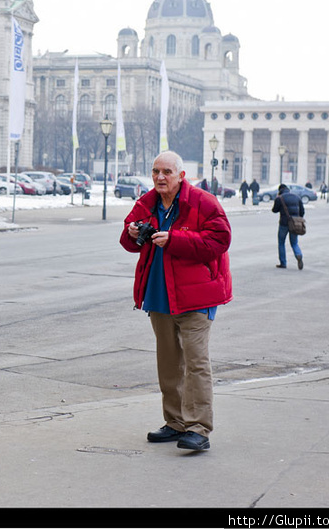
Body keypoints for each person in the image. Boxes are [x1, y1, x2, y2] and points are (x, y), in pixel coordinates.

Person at [119, 151, 233, 452]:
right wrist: (132, 233)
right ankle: (175, 422)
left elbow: (220, 240)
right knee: (169, 365)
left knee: (196, 364)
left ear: (181, 176)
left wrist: (175, 240)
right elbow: (128, 242)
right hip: (159, 295)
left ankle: (198, 428)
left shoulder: (203, 202)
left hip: (197, 297)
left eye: (166, 172)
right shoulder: (147, 203)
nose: (159, 177)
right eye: (155, 171)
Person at [272, 183, 304, 270]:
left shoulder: (280, 198)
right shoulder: (297, 197)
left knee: (281, 242)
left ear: (280, 191)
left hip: (284, 223)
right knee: (294, 242)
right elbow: (302, 211)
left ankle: (283, 263)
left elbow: (274, 210)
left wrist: (276, 199)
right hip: (294, 223)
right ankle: (299, 254)